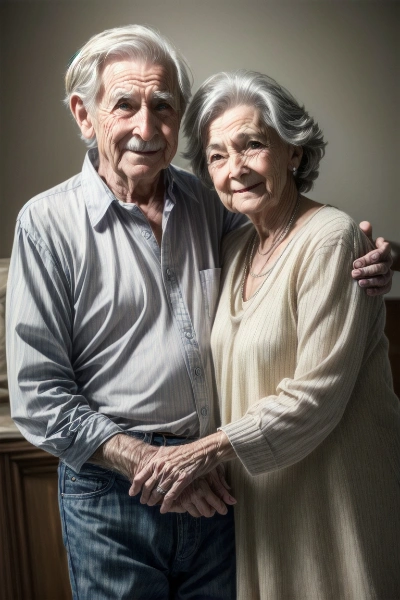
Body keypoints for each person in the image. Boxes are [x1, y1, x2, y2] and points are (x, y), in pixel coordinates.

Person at [5, 25, 393, 599]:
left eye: (162, 106)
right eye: (125, 105)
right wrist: (153, 465)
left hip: (220, 482)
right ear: (84, 116)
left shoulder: (210, 204)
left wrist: (378, 254)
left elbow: (302, 235)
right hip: (115, 491)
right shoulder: (46, 225)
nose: (146, 128)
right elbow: (38, 393)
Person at [131, 70, 400, 600]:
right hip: (264, 504)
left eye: (251, 145)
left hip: (337, 498)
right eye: (217, 156)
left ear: (292, 151)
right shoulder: (235, 249)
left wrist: (205, 451)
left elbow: (316, 395)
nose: (235, 169)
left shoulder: (332, 239)